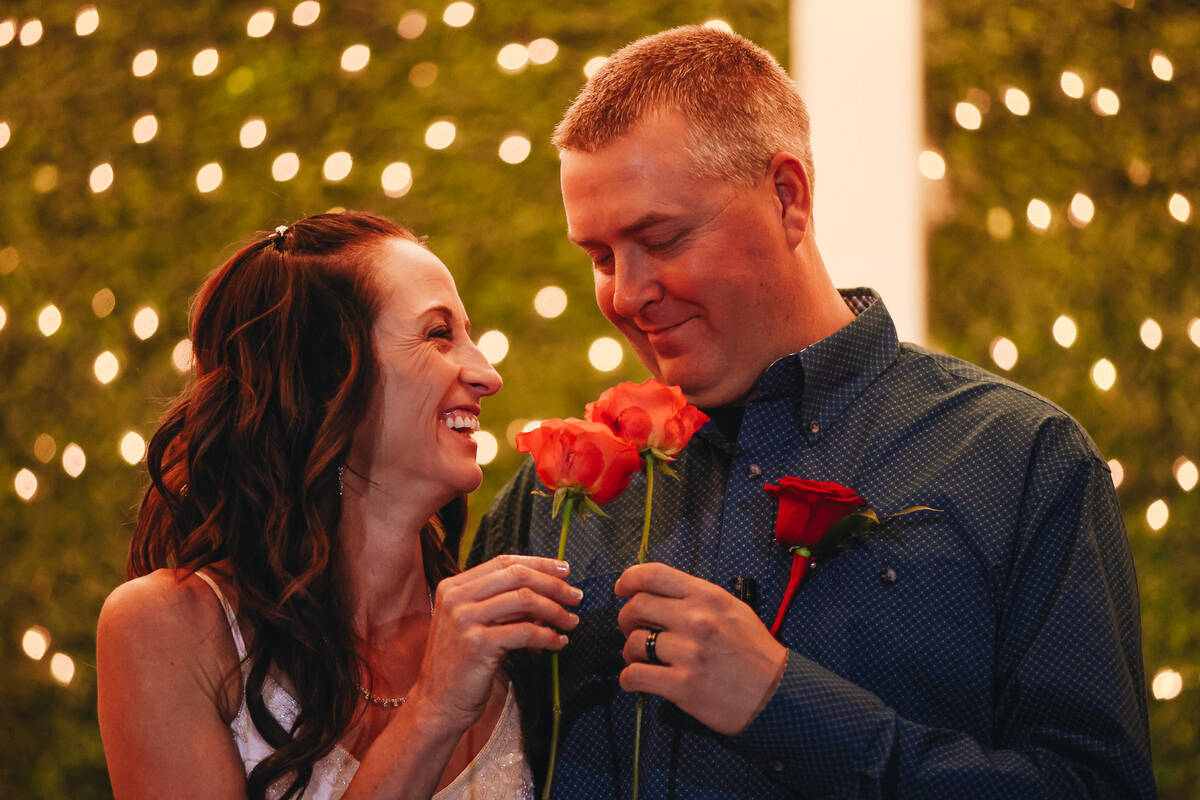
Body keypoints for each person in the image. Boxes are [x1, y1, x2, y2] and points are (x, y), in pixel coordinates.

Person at [470, 26, 1156, 798]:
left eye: (660, 239)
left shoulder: (1021, 459)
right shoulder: (552, 498)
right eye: (599, 258)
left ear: (788, 198)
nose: (625, 295)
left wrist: (784, 705)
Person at [97, 211, 582, 799]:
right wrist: (434, 709)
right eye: (437, 334)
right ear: (326, 377)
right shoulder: (171, 629)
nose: (486, 373)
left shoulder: (500, 628)